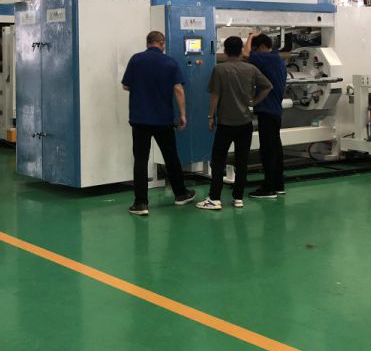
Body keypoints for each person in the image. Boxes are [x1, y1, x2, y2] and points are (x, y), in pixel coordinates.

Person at [121, 31, 197, 216]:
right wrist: (182, 114)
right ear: (162, 43)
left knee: (140, 160)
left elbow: (126, 85)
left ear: (147, 43)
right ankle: (181, 194)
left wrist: (142, 89)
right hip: (163, 120)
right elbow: (178, 89)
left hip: (140, 120)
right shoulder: (170, 62)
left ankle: (140, 204)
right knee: (171, 157)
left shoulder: (136, 60)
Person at [196, 36, 273, 210]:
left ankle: (215, 198)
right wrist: (254, 101)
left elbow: (215, 95)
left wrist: (210, 117)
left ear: (225, 51)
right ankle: (238, 197)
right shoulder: (251, 69)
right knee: (242, 160)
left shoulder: (219, 69)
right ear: (241, 51)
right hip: (245, 123)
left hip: (226, 123)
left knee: (218, 160)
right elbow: (268, 86)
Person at [244, 32, 288, 198]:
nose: (255, 52)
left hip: (267, 110)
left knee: (268, 150)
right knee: (275, 149)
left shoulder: (266, 58)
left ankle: (268, 188)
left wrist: (250, 36)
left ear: (262, 47)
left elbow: (245, 54)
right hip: (275, 110)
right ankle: (278, 184)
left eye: (256, 48)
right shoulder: (277, 58)